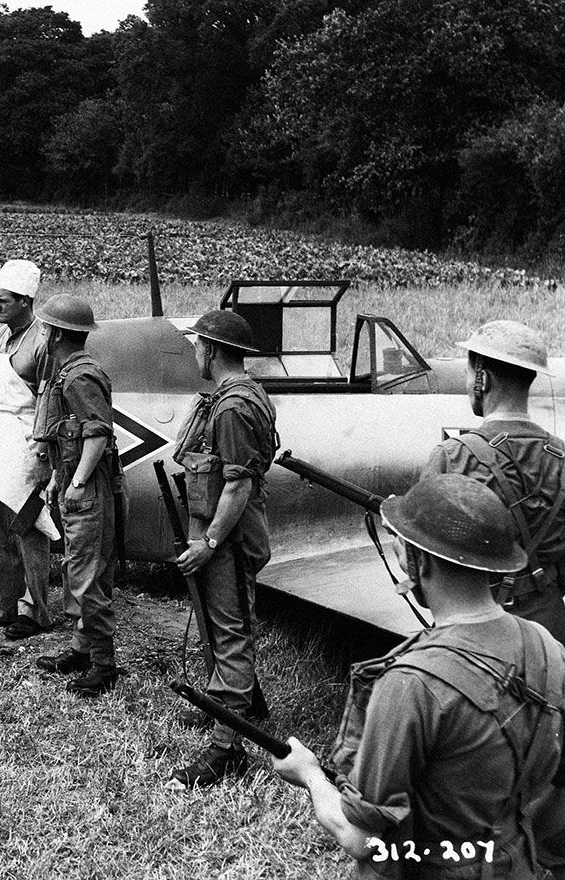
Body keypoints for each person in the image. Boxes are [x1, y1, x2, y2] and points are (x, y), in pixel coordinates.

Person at [272, 473, 565, 879]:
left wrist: (309, 774)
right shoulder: (546, 646)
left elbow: (361, 838)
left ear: (420, 561)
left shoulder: (411, 683)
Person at [169, 310, 278, 788]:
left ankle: (226, 748)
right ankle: (240, 705)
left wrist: (209, 543)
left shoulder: (232, 408)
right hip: (228, 530)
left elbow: (236, 485)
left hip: (228, 536)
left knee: (230, 631)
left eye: (197, 345)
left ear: (211, 350)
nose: (195, 352)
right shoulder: (242, 394)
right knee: (226, 623)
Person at [422, 320, 565, 644]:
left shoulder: (451, 457)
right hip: (550, 633)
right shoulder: (562, 458)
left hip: (475, 635)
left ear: (482, 378)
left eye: (469, 372)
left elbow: (423, 576)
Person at [30, 294, 121, 697]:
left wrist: (79, 482)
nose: (43, 333)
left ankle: (104, 665)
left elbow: (98, 431)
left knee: (87, 580)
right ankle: (82, 650)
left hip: (89, 492)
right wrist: (58, 478)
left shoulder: (80, 376)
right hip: (74, 485)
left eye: (46, 327)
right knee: (75, 570)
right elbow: (67, 433)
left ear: (57, 334)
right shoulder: (66, 371)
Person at [0, 259, 59, 640]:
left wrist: (42, 457)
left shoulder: (42, 343)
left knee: (28, 529)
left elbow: (50, 403)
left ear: (24, 300)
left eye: (2, 301)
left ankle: (33, 610)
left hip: (26, 444)